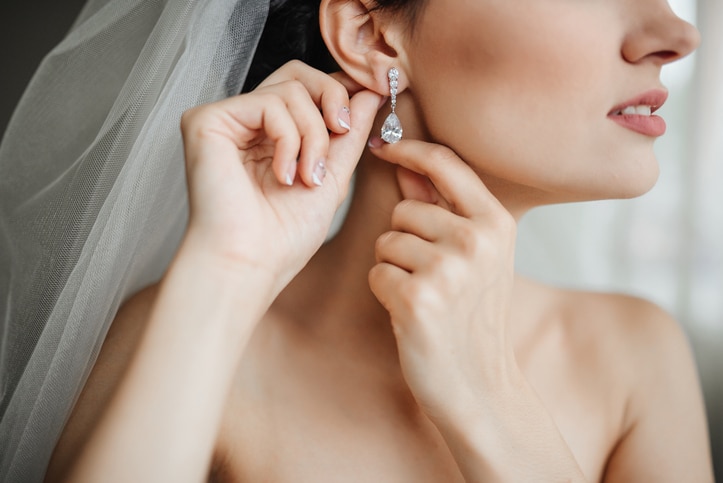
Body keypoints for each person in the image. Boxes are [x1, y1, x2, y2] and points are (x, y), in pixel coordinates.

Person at [37, 0, 713, 480]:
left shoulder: (635, 355)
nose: (677, 33)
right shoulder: (192, 335)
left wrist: (490, 400)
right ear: (373, 37)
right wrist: (228, 266)